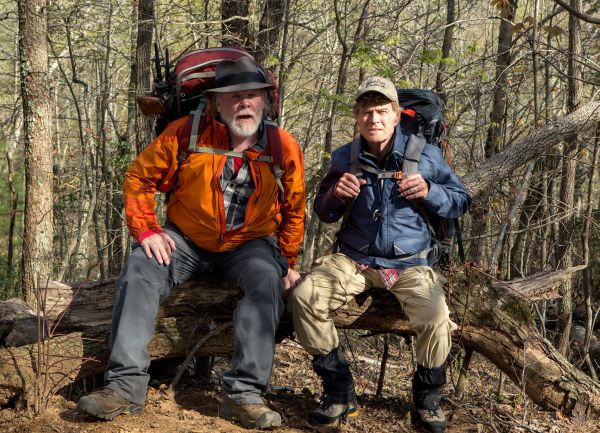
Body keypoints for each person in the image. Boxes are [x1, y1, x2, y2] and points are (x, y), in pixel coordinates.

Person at [77, 57, 306, 430]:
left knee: (267, 278)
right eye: (233, 97)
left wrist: (288, 260)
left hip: (249, 245)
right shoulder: (187, 133)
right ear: (215, 103)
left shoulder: (282, 146)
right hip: (184, 239)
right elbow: (138, 177)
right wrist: (147, 230)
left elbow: (295, 207)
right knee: (140, 269)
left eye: (252, 96)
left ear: (266, 101)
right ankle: (124, 386)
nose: (244, 104)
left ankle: (245, 393)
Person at [288, 76, 470, 433]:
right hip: (354, 260)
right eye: (366, 112)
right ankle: (338, 391)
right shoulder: (345, 156)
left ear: (396, 115)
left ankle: (426, 402)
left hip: (411, 263)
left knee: (435, 316)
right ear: (357, 117)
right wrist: (337, 195)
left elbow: (461, 201)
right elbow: (324, 212)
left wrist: (430, 190)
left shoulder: (425, 155)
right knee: (305, 297)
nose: (374, 119)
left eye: (382, 111)